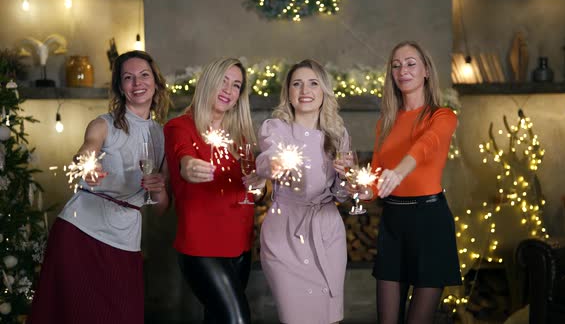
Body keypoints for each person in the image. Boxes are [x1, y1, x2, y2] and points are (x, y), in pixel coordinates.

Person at [28, 50, 171, 324]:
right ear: (120, 87)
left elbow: (163, 207)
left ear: (156, 82)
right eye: (128, 78)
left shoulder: (163, 136)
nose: (137, 83)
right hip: (79, 234)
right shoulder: (103, 124)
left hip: (125, 241)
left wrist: (159, 189)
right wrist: (88, 164)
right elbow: (86, 150)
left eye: (144, 75)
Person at [367, 41, 462, 324]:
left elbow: (425, 145)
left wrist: (399, 171)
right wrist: (358, 188)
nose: (402, 70)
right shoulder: (386, 121)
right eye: (396, 65)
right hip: (393, 222)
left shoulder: (442, 116)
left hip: (429, 221)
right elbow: (374, 179)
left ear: (426, 71)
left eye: (410, 63)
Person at [163, 57, 263, 324]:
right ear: (208, 82)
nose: (229, 90)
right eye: (223, 81)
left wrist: (260, 186)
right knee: (237, 320)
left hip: (240, 244)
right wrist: (190, 167)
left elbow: (253, 188)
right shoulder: (179, 127)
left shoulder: (240, 136)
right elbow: (184, 159)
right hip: (202, 247)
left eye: (236, 85)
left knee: (217, 319)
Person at [256, 59, 351, 324]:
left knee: (329, 318)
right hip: (284, 235)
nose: (305, 90)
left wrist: (347, 178)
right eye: (297, 84)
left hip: (327, 231)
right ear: (288, 92)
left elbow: (341, 195)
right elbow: (266, 158)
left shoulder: (338, 134)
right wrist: (273, 163)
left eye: (313, 83)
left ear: (324, 91)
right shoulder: (275, 128)